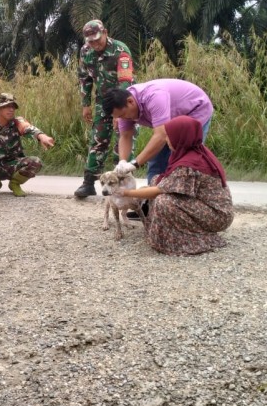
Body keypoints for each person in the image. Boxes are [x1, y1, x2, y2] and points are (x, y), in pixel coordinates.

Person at [113, 115, 233, 255]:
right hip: (206, 207)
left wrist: (125, 193)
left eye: (169, 135)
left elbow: (158, 191)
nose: (165, 139)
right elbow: (163, 183)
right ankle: (162, 230)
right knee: (156, 179)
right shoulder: (193, 150)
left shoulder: (189, 164)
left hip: (216, 216)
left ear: (180, 137)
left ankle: (189, 239)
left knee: (164, 202)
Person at [102, 78, 214, 186]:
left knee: (182, 158)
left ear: (130, 102)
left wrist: (135, 164)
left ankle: (182, 197)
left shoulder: (154, 97)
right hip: (170, 119)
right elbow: (125, 136)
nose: (123, 119)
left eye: (122, 116)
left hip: (195, 109)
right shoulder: (124, 109)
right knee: (156, 161)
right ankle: (153, 198)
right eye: (118, 117)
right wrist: (122, 162)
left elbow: (161, 136)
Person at [74, 19, 135, 198]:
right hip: (102, 102)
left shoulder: (120, 51)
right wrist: (86, 105)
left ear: (105, 33)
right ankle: (88, 183)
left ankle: (123, 184)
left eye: (97, 40)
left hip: (125, 102)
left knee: (123, 139)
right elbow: (84, 78)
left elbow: (126, 82)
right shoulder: (85, 51)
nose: (94, 44)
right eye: (90, 41)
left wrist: (120, 112)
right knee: (98, 140)